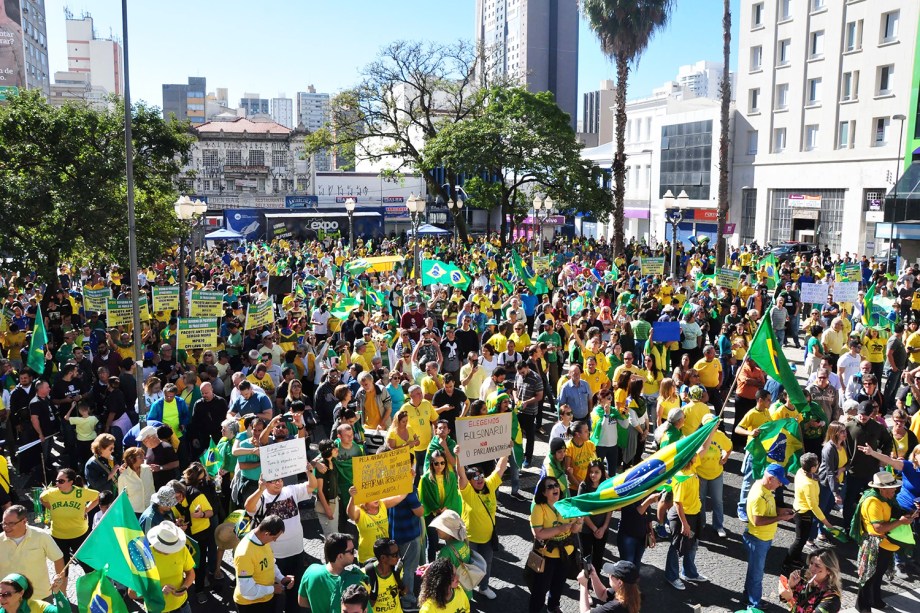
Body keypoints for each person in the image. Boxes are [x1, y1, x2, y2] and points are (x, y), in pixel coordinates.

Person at [244, 473, 316, 613]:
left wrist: (309, 472)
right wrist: (259, 490)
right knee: (277, 591)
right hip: (275, 555)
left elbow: (312, 486)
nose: (278, 483)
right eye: (273, 481)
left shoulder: (291, 490)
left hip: (297, 550)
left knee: (295, 588)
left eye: (280, 480)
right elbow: (249, 507)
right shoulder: (263, 496)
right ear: (265, 483)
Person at [742, 464, 796, 610]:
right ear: (771, 478)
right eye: (779, 482)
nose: (780, 485)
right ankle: (754, 604)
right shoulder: (759, 495)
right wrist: (780, 518)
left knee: (754, 571)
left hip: (762, 539)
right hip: (757, 539)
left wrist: (781, 510)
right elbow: (757, 521)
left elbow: (768, 509)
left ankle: (748, 597)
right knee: (757, 575)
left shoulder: (764, 488)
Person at [528, 474, 584, 613]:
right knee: (540, 588)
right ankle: (535, 610)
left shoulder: (566, 505)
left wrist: (579, 520)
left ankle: (553, 606)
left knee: (559, 583)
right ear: (543, 492)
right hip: (546, 555)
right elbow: (538, 534)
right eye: (550, 486)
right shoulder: (538, 508)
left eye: (556, 485)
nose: (555, 488)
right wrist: (559, 529)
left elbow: (575, 530)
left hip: (566, 553)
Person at [457, 454, 509, 600]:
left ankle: (483, 588)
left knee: (487, 564)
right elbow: (461, 475)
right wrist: (458, 456)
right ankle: (466, 592)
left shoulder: (489, 484)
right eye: (474, 477)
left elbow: (500, 468)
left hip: (488, 537)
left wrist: (506, 451)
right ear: (469, 481)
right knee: (468, 567)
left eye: (480, 475)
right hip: (470, 538)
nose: (479, 479)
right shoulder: (467, 492)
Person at [783, 453, 836, 573]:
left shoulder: (801, 472)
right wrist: (826, 523)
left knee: (803, 538)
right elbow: (813, 506)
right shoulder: (808, 484)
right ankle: (787, 563)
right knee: (799, 540)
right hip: (804, 513)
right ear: (812, 468)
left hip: (799, 508)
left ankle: (795, 559)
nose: (818, 465)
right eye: (817, 464)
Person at [0, 505, 65, 601]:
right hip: (9, 600)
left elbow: (58, 558)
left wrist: (58, 577)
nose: (6, 527)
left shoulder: (41, 536)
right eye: (4, 523)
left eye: (10, 524)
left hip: (40, 597)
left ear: (24, 521)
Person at [39, 468, 99, 571]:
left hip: (79, 535)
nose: (57, 484)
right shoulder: (51, 493)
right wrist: (52, 508)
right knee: (62, 569)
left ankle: (93, 586)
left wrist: (86, 510)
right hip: (58, 536)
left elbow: (98, 496)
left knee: (88, 567)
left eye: (61, 481)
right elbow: (41, 498)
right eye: (57, 481)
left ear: (71, 482)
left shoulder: (81, 492)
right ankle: (61, 587)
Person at [233, 515, 295, 613]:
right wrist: (272, 589)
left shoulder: (263, 540)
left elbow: (271, 564)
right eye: (274, 538)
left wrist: (281, 578)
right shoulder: (244, 554)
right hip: (250, 605)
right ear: (267, 534)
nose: (275, 540)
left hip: (266, 598)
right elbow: (246, 591)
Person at [299, 533, 367, 613]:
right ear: (340, 556)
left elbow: (302, 602)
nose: (354, 553)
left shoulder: (311, 570)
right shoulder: (354, 583)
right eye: (351, 551)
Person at [141, 521, 195, 613]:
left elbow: (190, 573)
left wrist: (185, 586)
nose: (170, 551)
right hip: (157, 609)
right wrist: (158, 592)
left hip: (182, 606)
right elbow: (132, 593)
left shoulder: (182, 549)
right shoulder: (144, 556)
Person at [419, 449, 462, 563]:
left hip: (447, 512)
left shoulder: (451, 476)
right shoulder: (425, 478)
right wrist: (435, 508)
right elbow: (425, 497)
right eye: (436, 463)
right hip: (432, 514)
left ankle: (452, 562)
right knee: (432, 541)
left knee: (450, 539)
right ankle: (432, 564)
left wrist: (446, 507)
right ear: (432, 464)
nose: (440, 466)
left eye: (442, 463)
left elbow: (453, 494)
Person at [778, 549, 843, 613]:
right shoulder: (804, 579)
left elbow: (790, 601)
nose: (811, 568)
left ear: (829, 571)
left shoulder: (832, 600)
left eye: (817, 566)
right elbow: (783, 599)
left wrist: (790, 599)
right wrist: (790, 585)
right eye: (811, 563)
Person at [578, 459, 611, 567]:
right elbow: (583, 510)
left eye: (596, 472)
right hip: (586, 530)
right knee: (586, 557)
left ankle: (596, 578)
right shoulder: (583, 486)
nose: (593, 475)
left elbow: (609, 508)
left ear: (602, 473)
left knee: (598, 556)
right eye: (591, 472)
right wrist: (595, 529)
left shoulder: (607, 487)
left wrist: (604, 527)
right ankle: (585, 580)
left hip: (602, 528)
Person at [576, 560, 642, 613]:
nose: (608, 575)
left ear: (619, 582)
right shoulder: (629, 591)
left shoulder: (615, 606)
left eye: (611, 574)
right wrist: (594, 575)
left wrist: (583, 585)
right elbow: (602, 594)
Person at [363, 538, 404, 613]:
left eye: (398, 553)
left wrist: (398, 579)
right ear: (383, 558)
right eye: (395, 555)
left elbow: (404, 593)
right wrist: (374, 592)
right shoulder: (365, 574)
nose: (398, 558)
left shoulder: (397, 569)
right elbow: (368, 605)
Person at [0, 573, 70, 613]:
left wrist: (57, 592)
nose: (1, 598)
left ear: (21, 593)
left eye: (6, 594)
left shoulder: (38, 607)